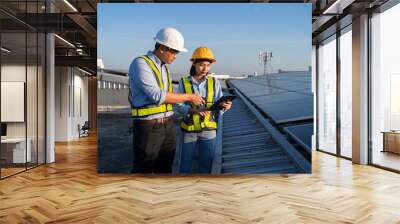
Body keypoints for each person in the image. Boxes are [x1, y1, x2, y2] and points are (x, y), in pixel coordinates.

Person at [129, 27, 205, 173]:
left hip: (168, 126)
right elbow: (158, 96)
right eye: (174, 51)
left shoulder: (165, 68)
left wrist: (189, 109)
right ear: (163, 48)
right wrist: (190, 97)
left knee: (165, 169)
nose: (176, 56)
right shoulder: (140, 64)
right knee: (143, 170)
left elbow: (171, 98)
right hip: (149, 127)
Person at [177, 47, 232, 173]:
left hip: (209, 130)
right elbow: (178, 106)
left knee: (206, 166)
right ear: (194, 63)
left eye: (208, 65)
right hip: (189, 130)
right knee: (185, 165)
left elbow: (219, 105)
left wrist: (225, 106)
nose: (205, 69)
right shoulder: (184, 82)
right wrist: (192, 110)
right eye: (201, 65)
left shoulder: (214, 82)